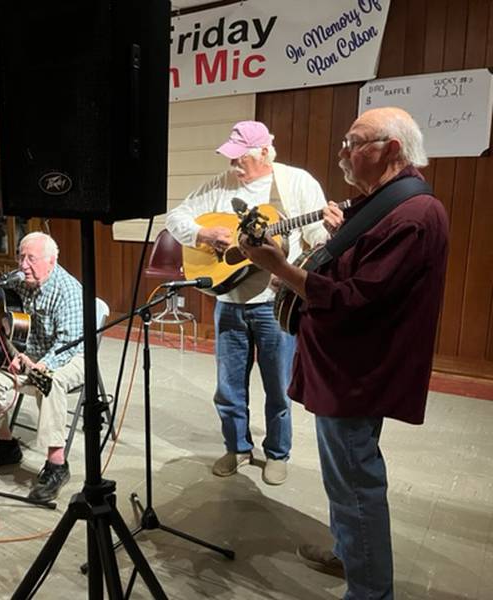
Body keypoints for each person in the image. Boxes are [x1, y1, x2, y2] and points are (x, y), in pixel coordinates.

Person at [239, 107, 449, 599]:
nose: (343, 155)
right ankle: (349, 552)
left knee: (356, 482)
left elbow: (357, 299)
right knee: (345, 476)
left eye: (353, 144)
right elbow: (356, 268)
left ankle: (370, 589)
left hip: (358, 371)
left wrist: (285, 270)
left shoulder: (414, 214)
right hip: (343, 364)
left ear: (390, 149)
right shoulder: (382, 202)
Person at [165, 120, 343, 486]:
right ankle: (238, 448)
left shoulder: (296, 183)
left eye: (239, 158)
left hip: (274, 304)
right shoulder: (219, 184)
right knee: (228, 387)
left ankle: (277, 453)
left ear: (264, 152)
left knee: (278, 386)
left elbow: (316, 238)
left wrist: (329, 229)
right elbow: (175, 218)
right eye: (230, 158)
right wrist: (202, 232)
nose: (233, 166)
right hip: (228, 301)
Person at [0, 232, 84, 502]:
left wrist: (40, 365)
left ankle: (57, 464)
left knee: (51, 382)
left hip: (68, 358)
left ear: (51, 261)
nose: (23, 265)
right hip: (25, 354)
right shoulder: (19, 280)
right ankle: (5, 444)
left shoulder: (67, 289)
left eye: (31, 259)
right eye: (20, 257)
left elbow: (68, 344)